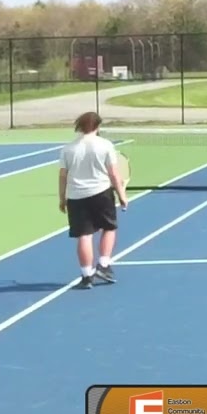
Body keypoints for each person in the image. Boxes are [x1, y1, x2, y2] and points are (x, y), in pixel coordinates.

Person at [59, 111, 129, 290]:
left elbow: (62, 176)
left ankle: (86, 276)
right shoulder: (105, 145)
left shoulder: (67, 149)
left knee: (84, 235)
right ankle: (104, 265)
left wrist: (62, 198)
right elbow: (113, 173)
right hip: (101, 193)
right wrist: (122, 195)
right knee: (109, 228)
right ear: (97, 127)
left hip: (76, 196)